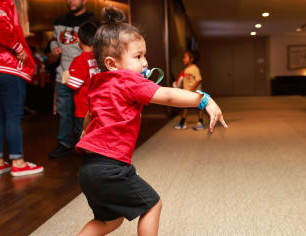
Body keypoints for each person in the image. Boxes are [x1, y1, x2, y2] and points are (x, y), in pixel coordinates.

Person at [76, 7, 227, 236]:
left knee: (109, 221)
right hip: (111, 167)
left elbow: (91, 115)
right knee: (152, 205)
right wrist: (204, 100)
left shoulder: (98, 82)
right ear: (111, 63)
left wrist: (85, 131)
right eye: (138, 57)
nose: (145, 63)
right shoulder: (127, 80)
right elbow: (167, 95)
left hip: (89, 168)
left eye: (144, 55)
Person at [0, 0, 43, 176]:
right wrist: (19, 48)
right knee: (13, 115)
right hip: (6, 66)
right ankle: (18, 163)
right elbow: (0, 26)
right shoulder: (2, 1)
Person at [49, 0, 99, 159]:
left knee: (86, 115)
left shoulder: (94, 22)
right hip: (64, 75)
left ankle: (87, 147)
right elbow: (53, 40)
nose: (71, 1)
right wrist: (53, 48)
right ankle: (65, 144)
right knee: (64, 113)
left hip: (86, 79)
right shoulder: (59, 22)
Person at [62, 21, 99, 147]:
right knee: (96, 135)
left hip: (83, 109)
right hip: (98, 106)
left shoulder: (79, 60)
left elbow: (75, 84)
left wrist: (66, 78)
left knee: (83, 136)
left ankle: (87, 162)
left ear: (78, 39)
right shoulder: (98, 57)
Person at [173, 50, 205, 131]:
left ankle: (200, 123)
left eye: (185, 57)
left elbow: (198, 80)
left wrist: (191, 89)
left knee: (200, 107)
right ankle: (182, 123)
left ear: (191, 59)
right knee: (185, 107)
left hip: (195, 92)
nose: (183, 59)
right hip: (187, 92)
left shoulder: (195, 68)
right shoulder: (186, 69)